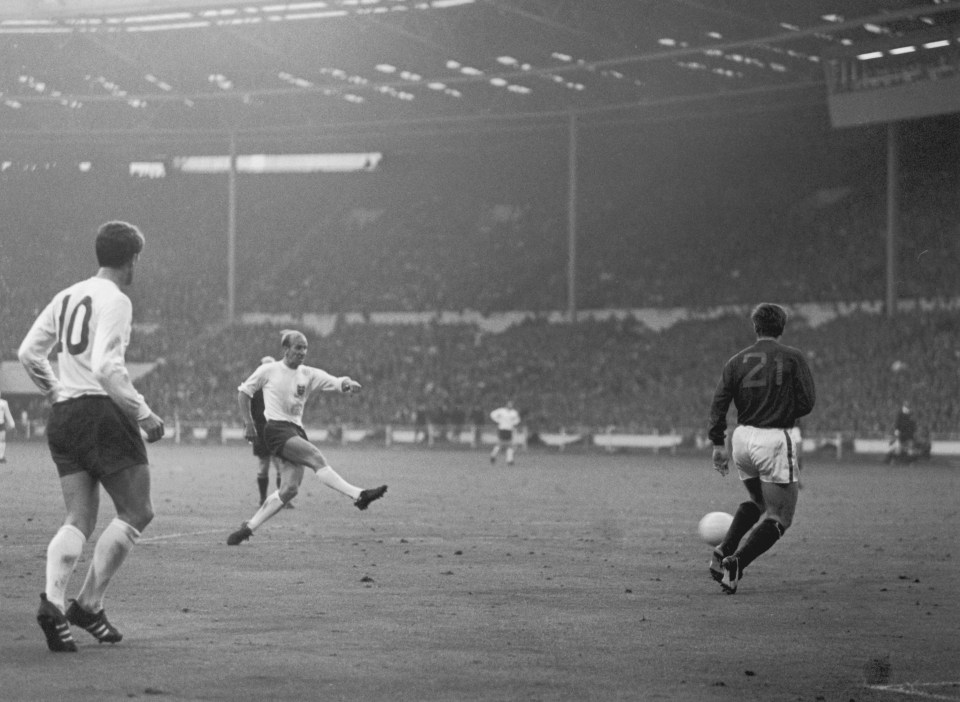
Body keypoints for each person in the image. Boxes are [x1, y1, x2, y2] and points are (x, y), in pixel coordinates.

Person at [17, 221, 165, 652]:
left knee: (78, 518)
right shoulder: (116, 299)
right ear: (133, 258)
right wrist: (144, 411)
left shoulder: (67, 294)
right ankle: (88, 604)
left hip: (64, 415)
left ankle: (54, 602)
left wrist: (57, 391)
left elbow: (29, 353)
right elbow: (106, 367)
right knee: (137, 511)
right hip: (103, 412)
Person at [226, 329, 387, 546]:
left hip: (295, 430)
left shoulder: (308, 374)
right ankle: (359, 495)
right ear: (285, 349)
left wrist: (347, 384)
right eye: (298, 347)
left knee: (290, 489)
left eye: (305, 348)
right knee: (316, 457)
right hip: (276, 429)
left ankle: (247, 528)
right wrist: (248, 423)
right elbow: (244, 392)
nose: (302, 352)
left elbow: (334, 381)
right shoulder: (268, 370)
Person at [707, 303, 815, 594]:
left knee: (759, 502)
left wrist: (718, 443)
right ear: (782, 328)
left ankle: (724, 548)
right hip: (774, 438)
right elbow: (807, 402)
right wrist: (781, 407)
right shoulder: (793, 358)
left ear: (755, 328)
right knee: (781, 516)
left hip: (741, 438)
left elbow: (719, 404)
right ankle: (736, 563)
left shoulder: (736, 360)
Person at [250, 355, 288, 507]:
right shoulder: (254, 388)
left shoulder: (279, 388)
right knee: (265, 464)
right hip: (262, 430)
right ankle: (263, 498)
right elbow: (251, 411)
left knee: (279, 464)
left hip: (275, 429)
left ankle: (280, 498)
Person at [489, 400, 521, 465]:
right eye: (509, 404)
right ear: (506, 404)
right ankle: (493, 455)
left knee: (510, 445)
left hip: (509, 430)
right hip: (502, 429)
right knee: (500, 444)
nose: (510, 405)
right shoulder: (501, 411)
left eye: (511, 404)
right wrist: (497, 420)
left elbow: (517, 420)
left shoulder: (514, 412)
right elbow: (492, 414)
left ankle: (509, 460)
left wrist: (513, 423)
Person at [0, 391, 15, 463]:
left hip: (1, 423)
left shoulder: (4, 403)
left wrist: (12, 423)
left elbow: (7, 413)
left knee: (2, 439)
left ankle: (1, 456)